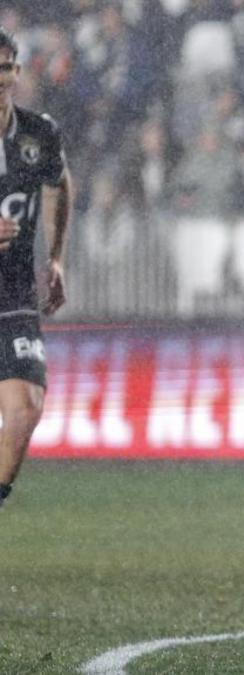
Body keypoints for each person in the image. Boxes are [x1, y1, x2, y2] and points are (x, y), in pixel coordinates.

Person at [0, 28, 73, 511]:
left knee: (26, 407)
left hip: (12, 290)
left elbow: (58, 184)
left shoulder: (38, 133)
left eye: (5, 68)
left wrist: (55, 256)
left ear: (17, 72)